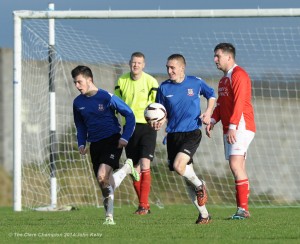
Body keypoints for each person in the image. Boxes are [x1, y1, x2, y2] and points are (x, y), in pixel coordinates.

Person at [72, 65, 140, 225]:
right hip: (94, 144)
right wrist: (81, 143)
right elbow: (80, 126)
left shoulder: (106, 97)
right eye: (75, 82)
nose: (77, 86)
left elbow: (129, 114)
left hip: (112, 140)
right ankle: (109, 217)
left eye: (79, 82)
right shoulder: (77, 103)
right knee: (104, 183)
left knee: (102, 175)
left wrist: (125, 137)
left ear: (89, 80)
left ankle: (109, 216)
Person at [152, 54, 216, 224]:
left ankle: (200, 185)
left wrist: (208, 112)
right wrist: (159, 122)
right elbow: (162, 112)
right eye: (167, 67)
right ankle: (204, 215)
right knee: (187, 179)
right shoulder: (164, 88)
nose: (169, 71)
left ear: (182, 68)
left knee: (179, 167)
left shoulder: (195, 82)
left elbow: (211, 95)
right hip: (173, 136)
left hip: (191, 133)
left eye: (172, 67)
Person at [205, 43, 256, 219]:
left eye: (217, 56)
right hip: (231, 126)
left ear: (229, 57)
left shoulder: (239, 75)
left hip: (241, 124)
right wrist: (212, 120)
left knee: (235, 165)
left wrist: (233, 126)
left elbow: (240, 102)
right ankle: (241, 209)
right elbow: (221, 104)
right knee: (237, 165)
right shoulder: (223, 79)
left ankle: (243, 210)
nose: (215, 60)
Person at [115, 52, 159, 215]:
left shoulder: (151, 81)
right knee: (134, 169)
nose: (136, 65)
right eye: (134, 62)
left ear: (144, 65)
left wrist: (159, 120)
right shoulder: (121, 81)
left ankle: (143, 205)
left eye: (139, 63)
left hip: (147, 126)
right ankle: (144, 205)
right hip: (129, 127)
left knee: (145, 164)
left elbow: (158, 106)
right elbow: (116, 104)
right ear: (129, 63)